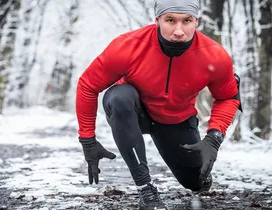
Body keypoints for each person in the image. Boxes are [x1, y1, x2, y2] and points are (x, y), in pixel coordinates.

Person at [76, 0, 242, 209]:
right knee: (119, 96)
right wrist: (88, 141)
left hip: (175, 119)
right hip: (134, 111)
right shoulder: (128, 46)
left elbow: (228, 97)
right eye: (170, 20)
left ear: (196, 21)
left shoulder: (215, 56)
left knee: (195, 182)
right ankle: (146, 189)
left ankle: (198, 178)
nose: (179, 31)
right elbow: (87, 86)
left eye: (187, 21)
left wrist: (214, 137)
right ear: (157, 20)